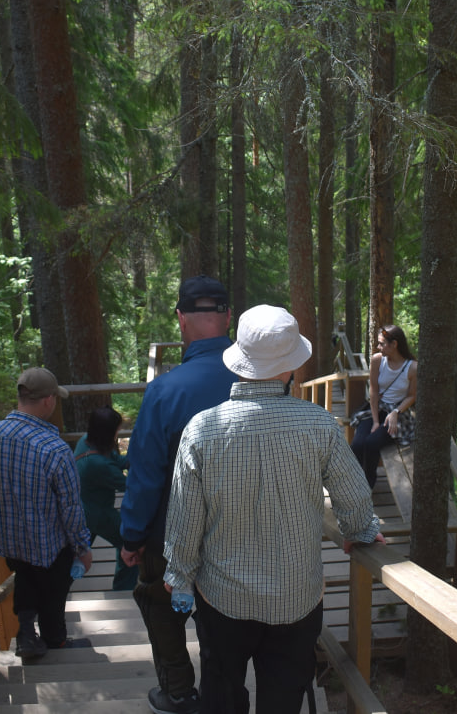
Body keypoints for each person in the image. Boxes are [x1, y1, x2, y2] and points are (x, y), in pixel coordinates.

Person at [163, 304, 385, 714]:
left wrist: (178, 575)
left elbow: (184, 518)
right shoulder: (319, 425)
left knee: (221, 691)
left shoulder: (202, 429)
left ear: (239, 362)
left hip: (222, 597)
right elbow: (353, 498)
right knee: (283, 697)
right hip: (296, 597)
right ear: (291, 368)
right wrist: (361, 532)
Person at [121, 275, 239, 714]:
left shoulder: (164, 390)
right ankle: (222, 694)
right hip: (238, 531)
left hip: (169, 535)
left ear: (181, 320)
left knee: (158, 600)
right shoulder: (262, 382)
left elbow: (146, 476)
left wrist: (131, 537)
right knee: (223, 617)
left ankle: (178, 691)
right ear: (229, 318)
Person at [0, 367, 93, 660]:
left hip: (8, 540)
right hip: (49, 543)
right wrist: (82, 547)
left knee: (25, 573)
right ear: (48, 400)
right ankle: (55, 639)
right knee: (55, 586)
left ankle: (26, 632)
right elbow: (70, 508)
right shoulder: (54, 448)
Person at [75, 406, 137, 591]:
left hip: (83, 509)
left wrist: (132, 458)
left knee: (78, 551)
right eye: (116, 429)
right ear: (107, 432)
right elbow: (128, 486)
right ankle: (123, 588)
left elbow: (115, 461)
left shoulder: (86, 441)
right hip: (97, 513)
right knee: (129, 542)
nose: (118, 432)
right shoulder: (97, 465)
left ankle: (61, 582)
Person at [349, 324, 418, 488]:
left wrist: (396, 411)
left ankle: (368, 486)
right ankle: (355, 484)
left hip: (398, 414)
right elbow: (373, 391)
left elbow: (412, 395)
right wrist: (375, 421)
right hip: (375, 409)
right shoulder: (377, 360)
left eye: (381, 343)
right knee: (358, 444)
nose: (378, 347)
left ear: (394, 344)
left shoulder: (413, 367)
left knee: (372, 443)